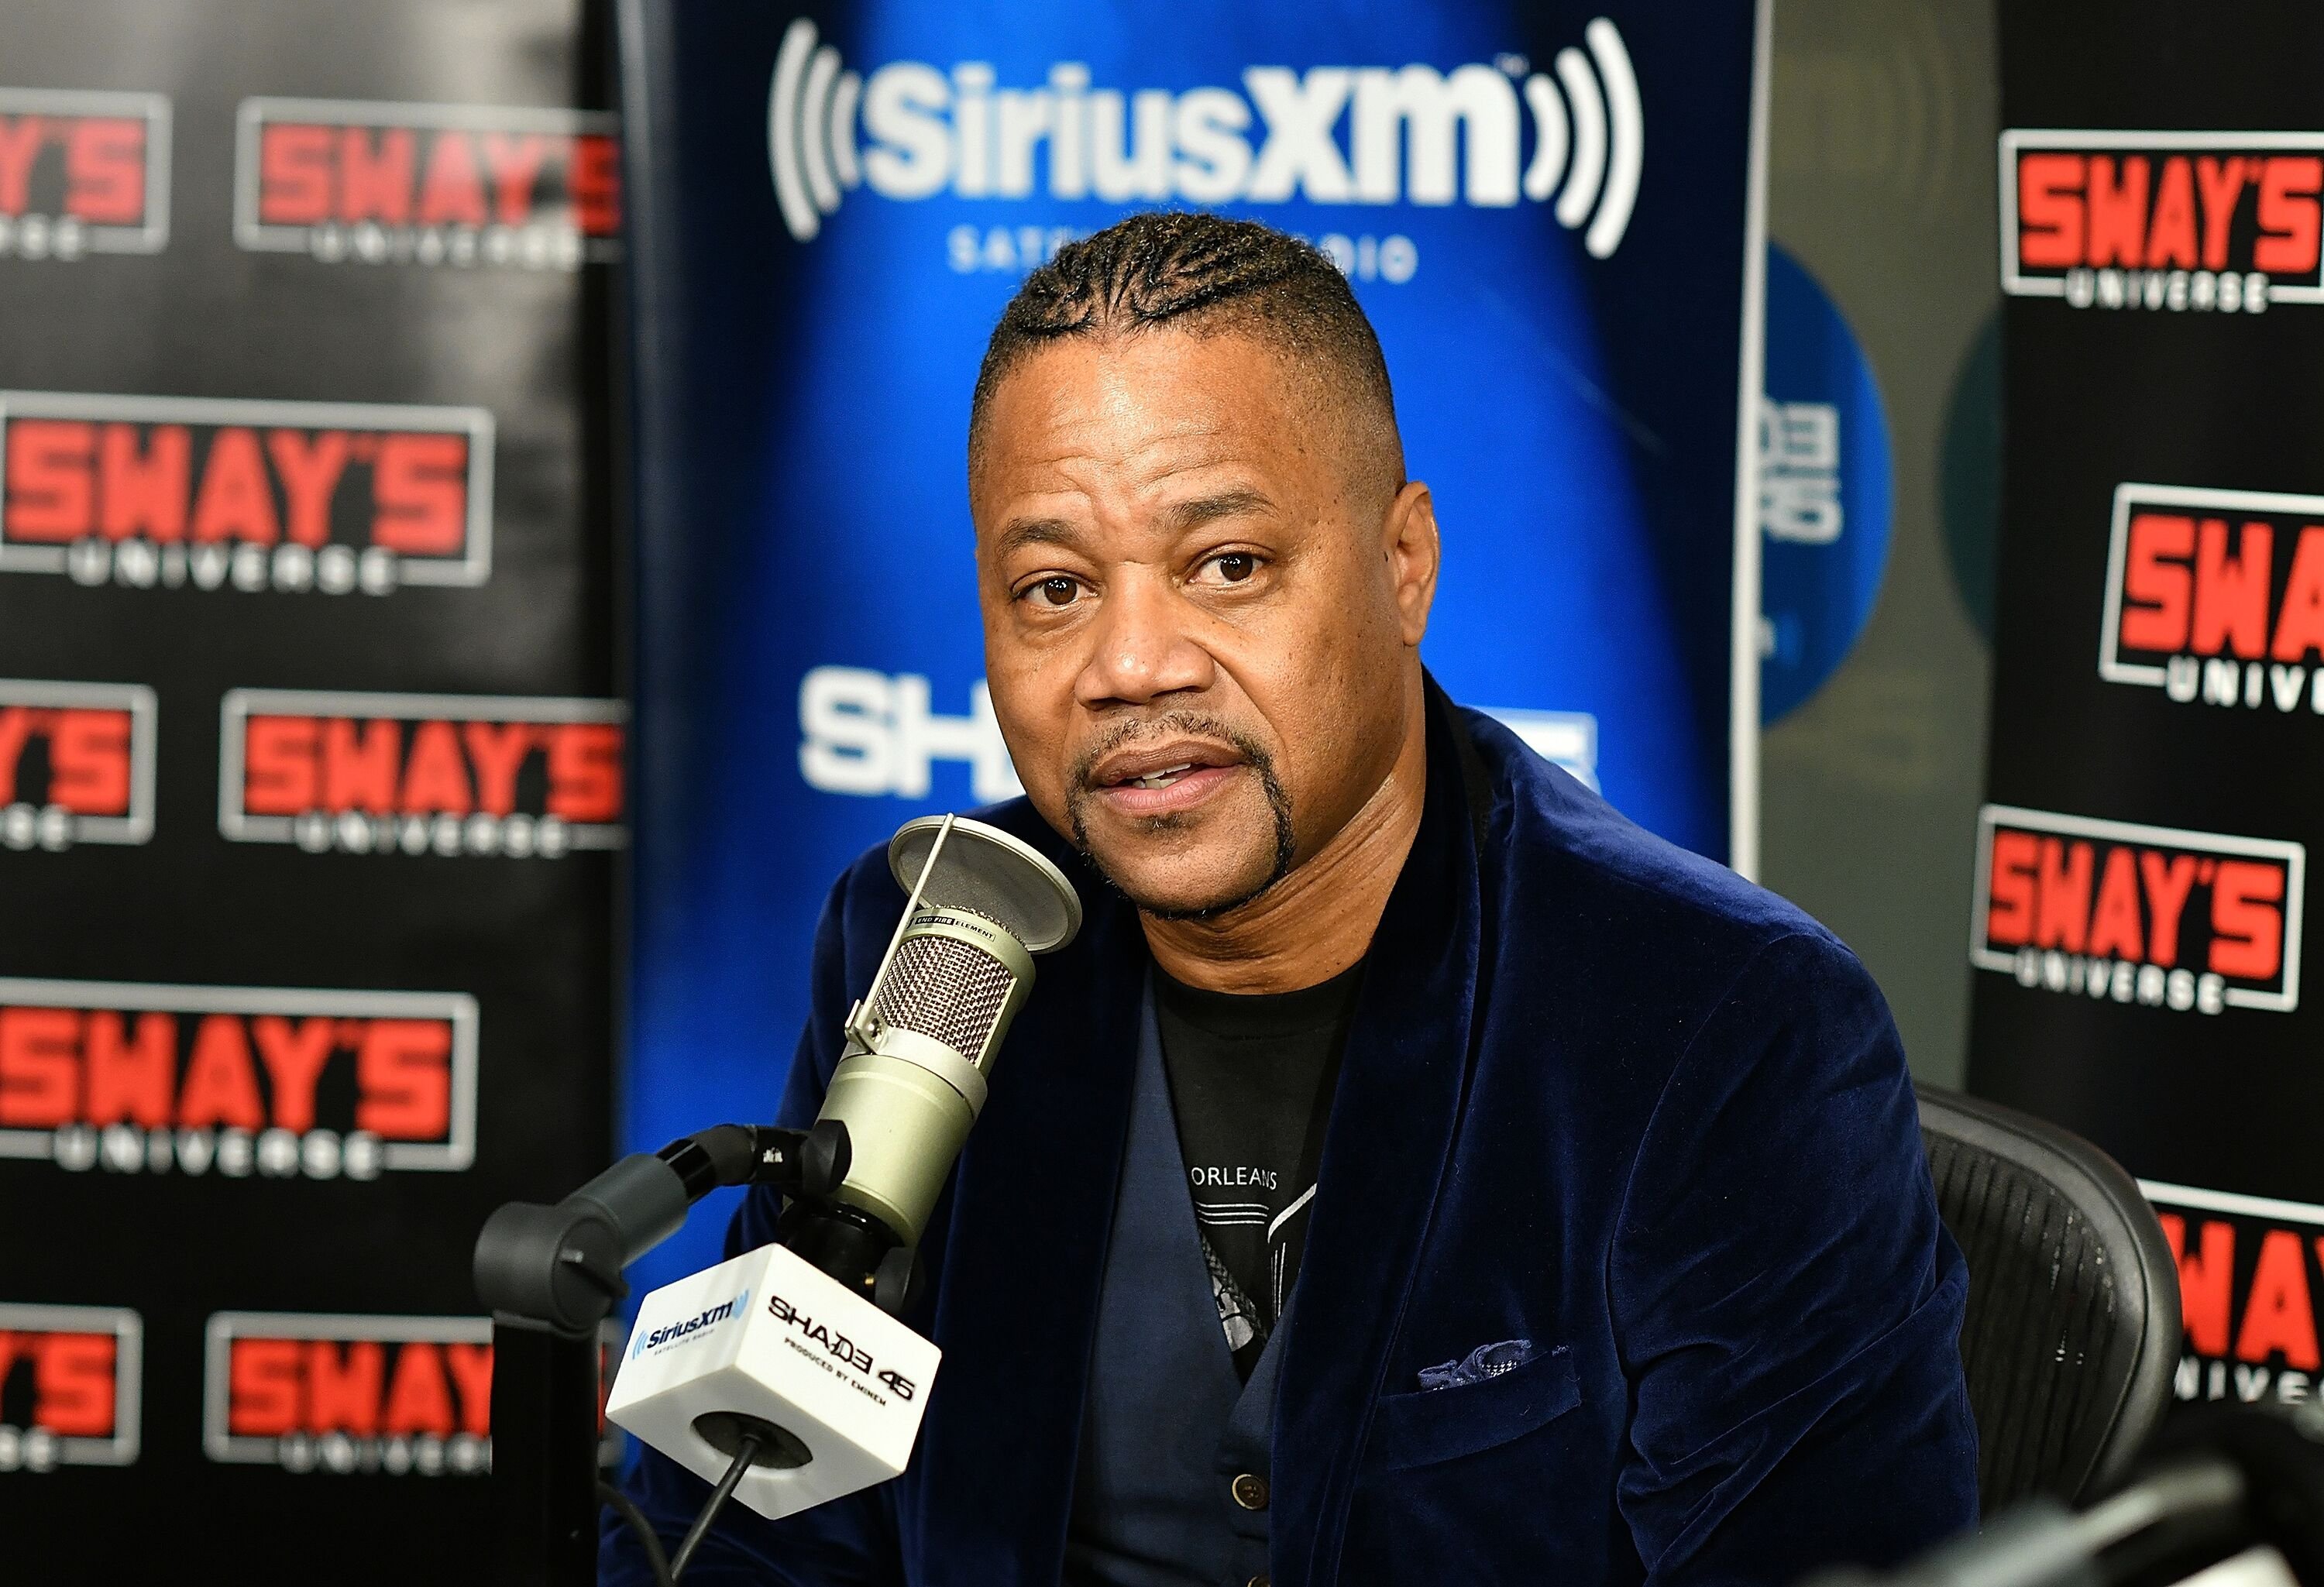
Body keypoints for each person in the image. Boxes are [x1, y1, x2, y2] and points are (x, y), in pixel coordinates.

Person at [607, 211, 1978, 1586]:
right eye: (1055, 587)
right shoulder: (943, 938)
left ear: (1404, 566)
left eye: (1229, 565)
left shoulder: (1718, 1026)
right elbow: (741, 1527)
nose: (1132, 663)